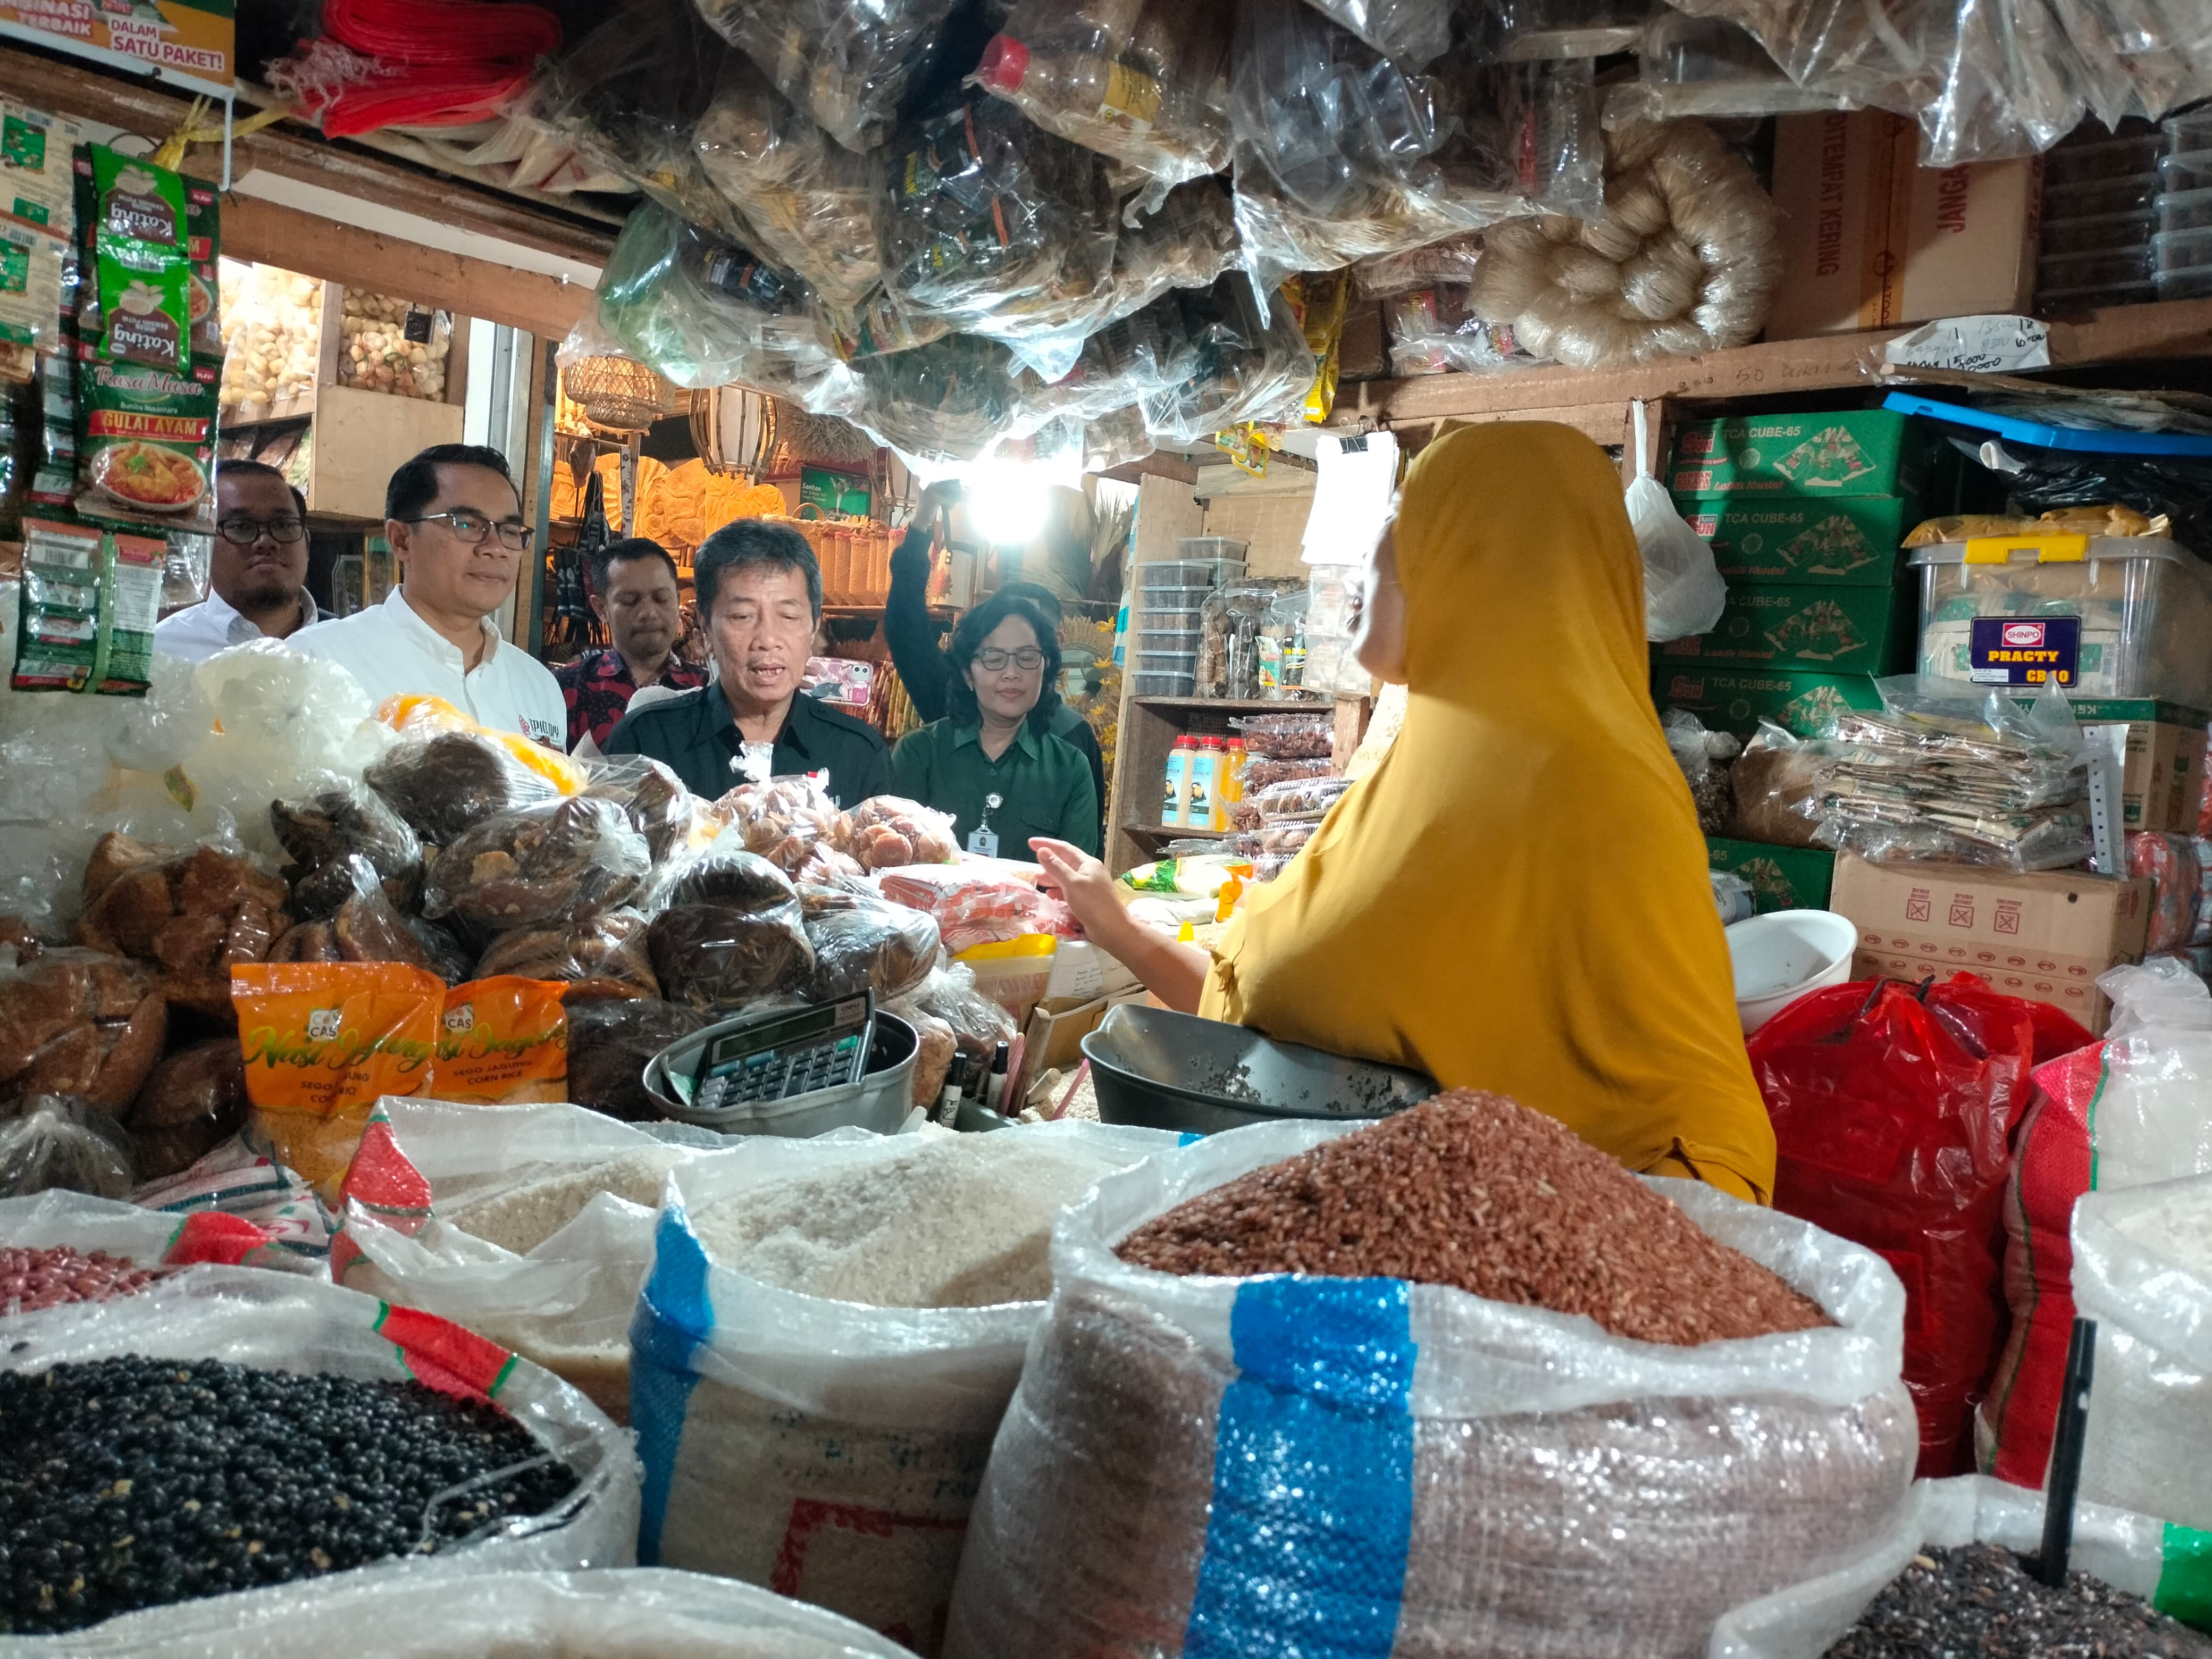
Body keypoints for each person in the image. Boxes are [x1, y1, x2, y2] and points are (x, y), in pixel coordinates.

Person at [1034, 422, 1776, 1204]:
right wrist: (1116, 919)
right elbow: (1282, 1041)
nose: (1365, 563)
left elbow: (1689, 1133)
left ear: (1481, 558)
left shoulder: (1594, 799)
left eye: (1399, 522)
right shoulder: (1417, 770)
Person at [291, 443, 565, 747]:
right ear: (401, 540)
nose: (496, 548)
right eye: (467, 524)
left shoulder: (539, 685)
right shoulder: (319, 661)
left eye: (511, 531)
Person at [605, 519, 892, 806]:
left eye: (789, 617)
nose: (768, 639)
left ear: (814, 628)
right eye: (743, 616)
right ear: (705, 632)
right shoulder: (645, 742)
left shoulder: (859, 754)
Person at [886, 479, 1108, 819]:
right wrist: (923, 518)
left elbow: (1085, 854)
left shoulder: (1074, 740)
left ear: (1052, 650)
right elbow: (906, 631)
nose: (1009, 669)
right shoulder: (952, 707)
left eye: (1027, 650)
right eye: (995, 653)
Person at [893, 589, 1098, 861]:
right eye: (993, 658)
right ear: (968, 672)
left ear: (1045, 667)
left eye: (1026, 658)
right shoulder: (919, 753)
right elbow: (892, 865)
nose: (1011, 673)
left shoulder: (1070, 768)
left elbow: (1075, 881)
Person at [153, 461, 323, 661]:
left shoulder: (349, 644)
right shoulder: (161, 653)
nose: (266, 542)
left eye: (284, 525)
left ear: (307, 545)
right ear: (201, 546)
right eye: (241, 526)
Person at [556, 536, 708, 752]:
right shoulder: (567, 688)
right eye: (630, 601)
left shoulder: (706, 688)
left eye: (661, 598)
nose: (649, 613)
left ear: (676, 599)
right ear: (601, 608)